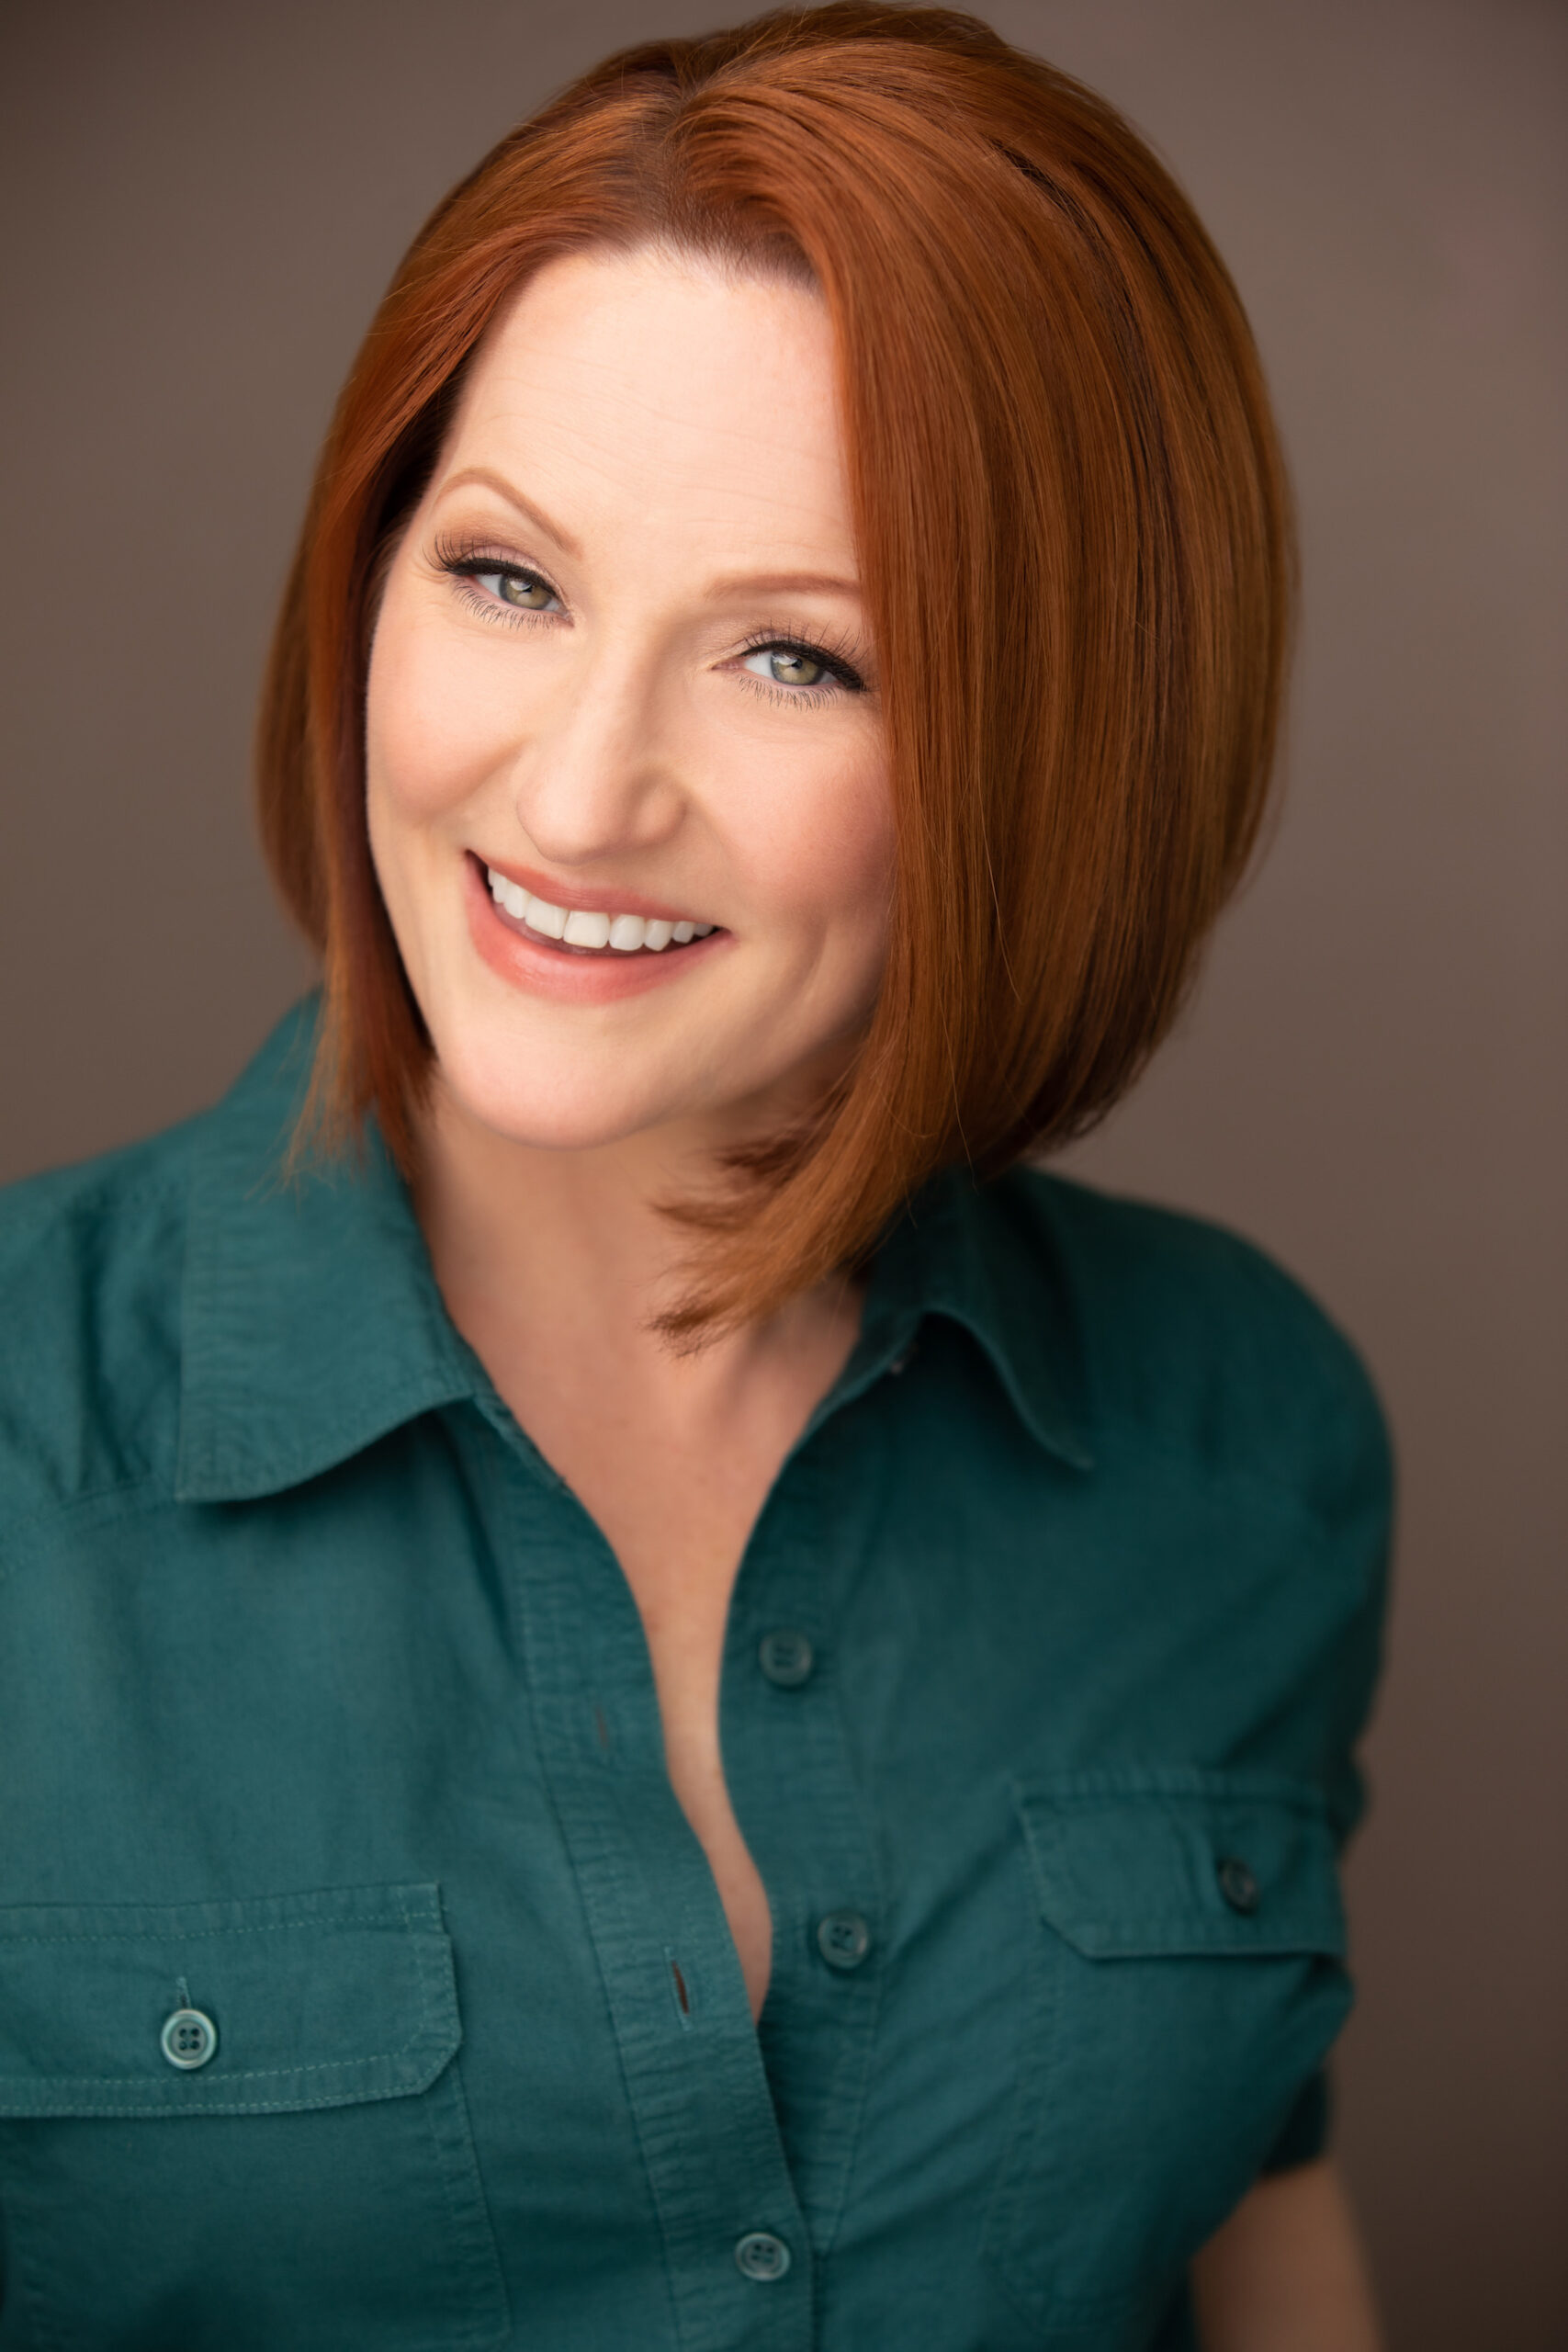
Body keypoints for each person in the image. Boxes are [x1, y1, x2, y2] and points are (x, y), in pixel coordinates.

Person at [0, 7, 1392, 2346]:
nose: (574, 797)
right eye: (508, 579)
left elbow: (1253, 2221)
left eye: (792, 658)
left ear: (1059, 748)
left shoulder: (1242, 1435)